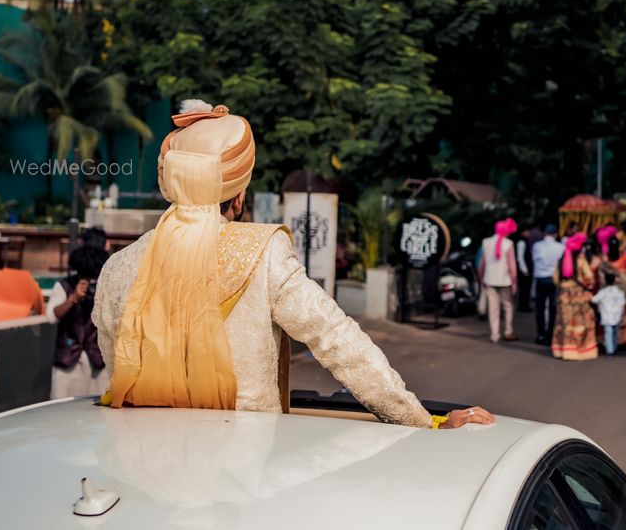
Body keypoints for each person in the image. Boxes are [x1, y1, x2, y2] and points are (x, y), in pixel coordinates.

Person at [95, 100, 492, 429]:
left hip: (139, 463)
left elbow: (118, 372)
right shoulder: (262, 251)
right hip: (241, 470)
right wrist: (422, 421)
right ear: (238, 195)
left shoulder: (119, 266)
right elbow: (338, 341)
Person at [47, 238, 110, 399]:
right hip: (68, 363)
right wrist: (72, 298)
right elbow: (52, 316)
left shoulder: (105, 288)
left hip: (97, 363)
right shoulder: (64, 286)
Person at [552, 232, 598, 360]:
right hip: (578, 295)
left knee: (564, 324)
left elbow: (555, 279)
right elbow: (589, 277)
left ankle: (563, 351)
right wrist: (587, 285)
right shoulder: (580, 259)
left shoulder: (561, 260)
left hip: (564, 295)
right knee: (581, 324)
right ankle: (580, 351)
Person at [478, 218, 519, 343]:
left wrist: (481, 278)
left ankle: (494, 334)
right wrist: (514, 281)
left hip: (489, 279)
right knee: (507, 306)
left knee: (493, 308)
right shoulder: (509, 244)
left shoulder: (486, 242)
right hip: (504, 280)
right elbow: (512, 265)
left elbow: (482, 263)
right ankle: (508, 331)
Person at [532, 224, 565, 345]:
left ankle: (540, 334)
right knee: (553, 308)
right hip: (553, 279)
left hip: (540, 278)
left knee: (539, 308)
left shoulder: (537, 246)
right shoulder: (560, 247)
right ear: (555, 234)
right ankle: (550, 335)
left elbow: (535, 259)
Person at [593, 272, 626, 356]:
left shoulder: (603, 292)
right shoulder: (619, 292)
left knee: (608, 333)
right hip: (616, 315)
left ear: (605, 281)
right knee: (615, 332)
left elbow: (594, 299)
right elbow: (623, 302)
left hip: (607, 315)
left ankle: (609, 350)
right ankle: (614, 348)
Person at [515, 227, 533, 313]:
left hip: (526, 269)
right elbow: (520, 257)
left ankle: (525, 305)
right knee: (524, 289)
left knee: (526, 288)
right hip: (524, 270)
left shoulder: (525, 241)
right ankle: (523, 306)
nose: (529, 232)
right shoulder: (521, 242)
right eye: (527, 230)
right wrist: (525, 269)